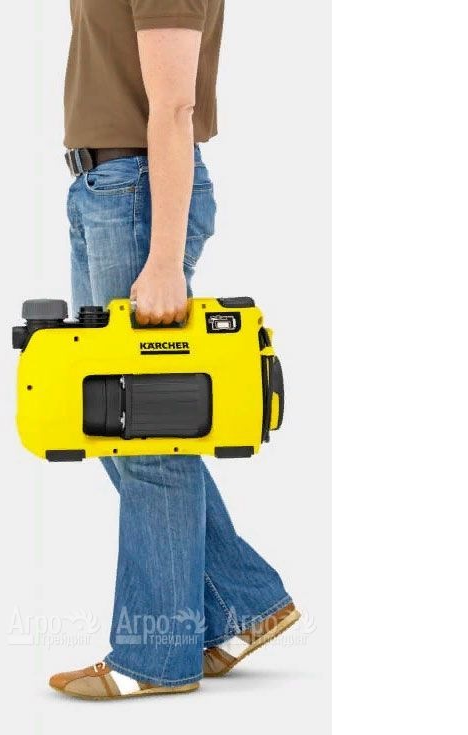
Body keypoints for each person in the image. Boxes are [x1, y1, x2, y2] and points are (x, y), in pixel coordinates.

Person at [50, 0, 298, 700]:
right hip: (102, 189)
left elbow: (174, 106)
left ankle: (155, 655)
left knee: (146, 433)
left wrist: (162, 260)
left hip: (137, 193)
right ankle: (245, 603)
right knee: (112, 427)